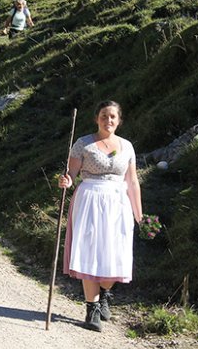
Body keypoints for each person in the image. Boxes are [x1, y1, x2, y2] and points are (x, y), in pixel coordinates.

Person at [58, 101, 143, 332]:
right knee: (89, 250)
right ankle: (91, 308)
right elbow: (71, 173)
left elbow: (132, 181)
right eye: (104, 116)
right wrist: (66, 180)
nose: (109, 120)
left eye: (113, 116)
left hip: (118, 202)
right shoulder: (83, 144)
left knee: (115, 253)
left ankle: (104, 292)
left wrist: (139, 213)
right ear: (97, 118)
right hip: (89, 199)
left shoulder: (127, 147)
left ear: (119, 120)